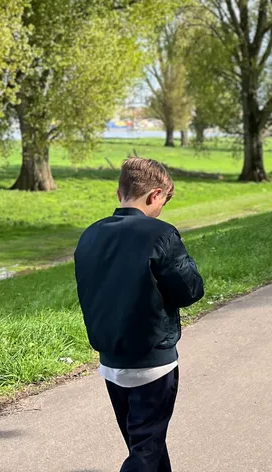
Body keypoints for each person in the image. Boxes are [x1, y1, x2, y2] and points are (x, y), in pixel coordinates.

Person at [74, 157, 204, 472]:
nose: (162, 209)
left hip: (111, 359)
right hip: (152, 360)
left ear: (120, 192)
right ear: (155, 195)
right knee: (145, 451)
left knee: (145, 445)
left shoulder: (90, 235)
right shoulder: (160, 234)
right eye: (164, 202)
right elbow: (190, 291)